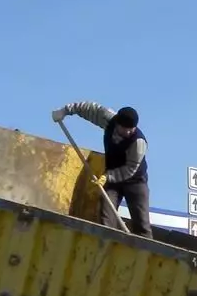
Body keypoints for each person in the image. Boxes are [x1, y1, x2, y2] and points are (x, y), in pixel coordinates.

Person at [52, 101, 152, 238]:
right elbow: (88, 109)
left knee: (142, 223)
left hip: (135, 181)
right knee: (106, 216)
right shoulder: (108, 119)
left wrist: (107, 176)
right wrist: (64, 111)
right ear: (117, 123)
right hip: (113, 181)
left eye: (132, 129)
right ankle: (109, 247)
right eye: (125, 128)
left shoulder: (138, 142)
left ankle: (144, 251)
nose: (129, 132)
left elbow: (130, 169)